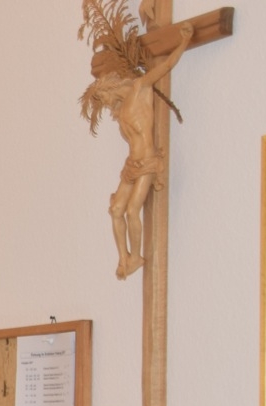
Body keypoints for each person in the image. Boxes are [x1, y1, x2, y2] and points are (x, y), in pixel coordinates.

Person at [81, 20, 193, 280]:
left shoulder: (140, 88)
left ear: (109, 87)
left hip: (148, 162)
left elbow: (166, 65)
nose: (107, 104)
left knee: (133, 210)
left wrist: (184, 41)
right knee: (115, 210)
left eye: (104, 99)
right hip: (131, 164)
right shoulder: (121, 110)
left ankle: (137, 256)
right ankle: (125, 258)